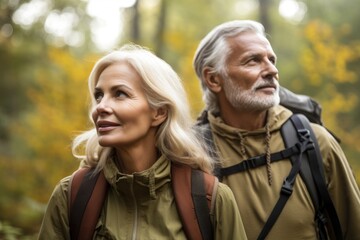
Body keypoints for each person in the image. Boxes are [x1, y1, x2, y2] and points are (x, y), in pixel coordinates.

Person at [38, 44, 247, 239]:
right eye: (99, 95)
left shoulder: (211, 199)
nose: (100, 107)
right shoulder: (71, 195)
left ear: (159, 112)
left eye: (120, 94)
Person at [192, 20, 360, 240]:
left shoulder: (315, 142)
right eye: (253, 61)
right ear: (214, 79)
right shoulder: (192, 156)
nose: (272, 70)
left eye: (271, 60)